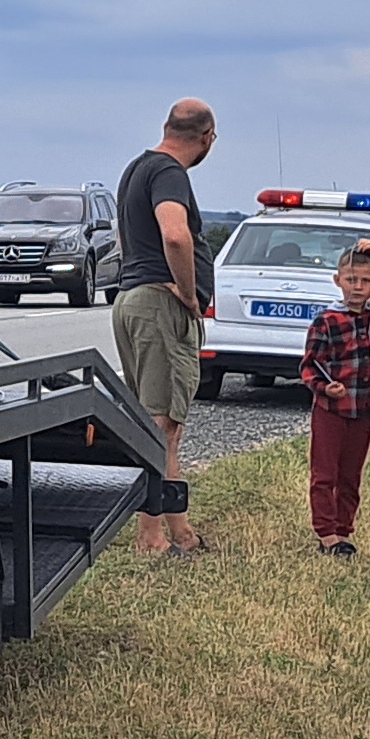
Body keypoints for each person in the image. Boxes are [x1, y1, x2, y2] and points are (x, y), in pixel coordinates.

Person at [110, 98, 215, 554]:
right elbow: (174, 233)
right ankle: (150, 538)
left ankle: (181, 532)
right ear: (207, 137)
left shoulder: (137, 168)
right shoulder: (171, 173)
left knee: (164, 423)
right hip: (158, 305)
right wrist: (189, 294)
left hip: (132, 300)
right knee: (161, 427)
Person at [300, 240, 370, 556]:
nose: (357, 287)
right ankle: (326, 533)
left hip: (366, 407)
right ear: (338, 280)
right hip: (332, 408)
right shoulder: (327, 320)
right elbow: (309, 365)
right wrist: (324, 387)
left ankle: (344, 529)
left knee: (351, 474)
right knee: (325, 472)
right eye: (350, 280)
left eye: (365, 281)